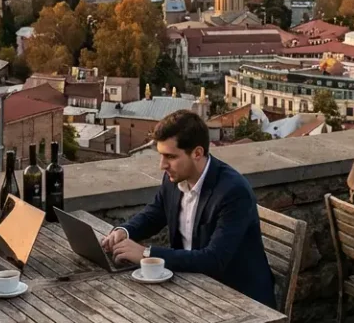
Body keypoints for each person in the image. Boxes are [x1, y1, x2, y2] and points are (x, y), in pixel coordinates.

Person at [99, 110, 276, 307]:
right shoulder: (175, 176)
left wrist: (147, 254)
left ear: (197, 153)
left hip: (237, 299)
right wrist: (125, 231)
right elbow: (155, 213)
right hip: (190, 287)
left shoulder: (233, 192)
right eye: (161, 155)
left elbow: (214, 260)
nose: (162, 165)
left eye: (170, 156)